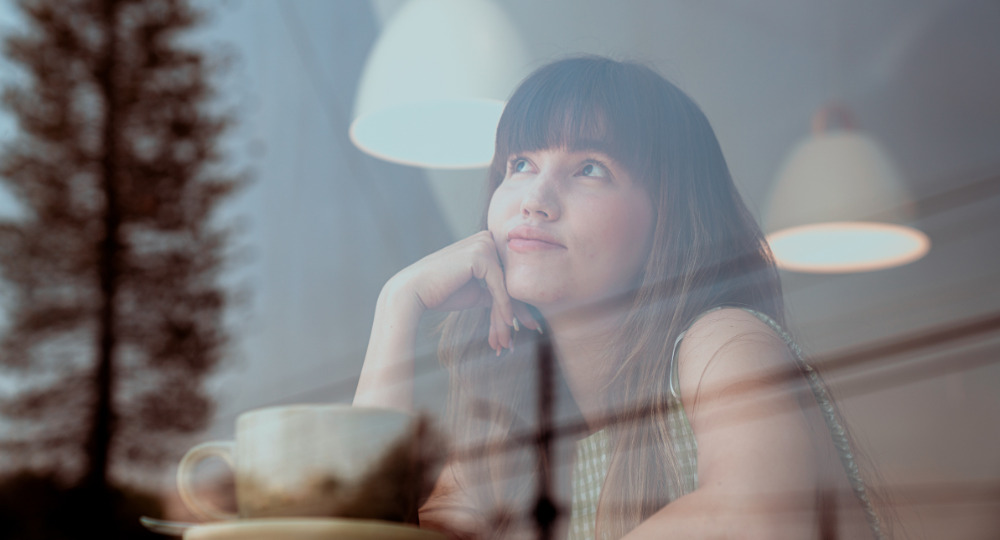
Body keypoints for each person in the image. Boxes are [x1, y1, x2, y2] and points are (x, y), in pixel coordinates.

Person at [354, 56, 890, 540]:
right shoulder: (511, 429)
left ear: (668, 216)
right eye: (520, 165)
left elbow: (755, 518)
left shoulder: (722, 341)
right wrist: (398, 306)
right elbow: (366, 532)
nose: (534, 201)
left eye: (590, 169)